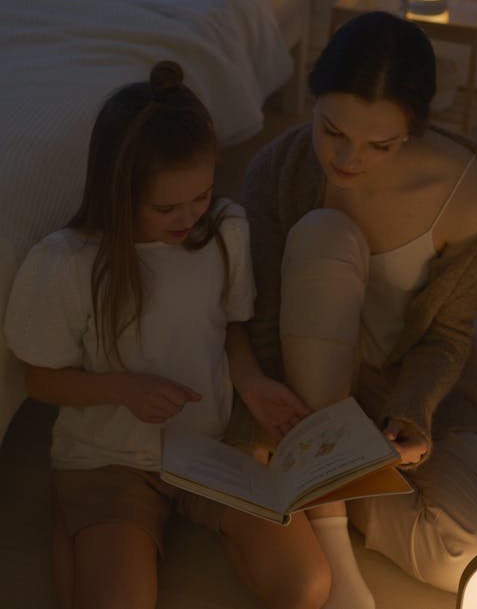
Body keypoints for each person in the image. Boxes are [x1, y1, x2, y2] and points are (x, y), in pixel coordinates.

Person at [3, 61, 332, 609]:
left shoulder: (222, 230)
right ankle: (80, 522)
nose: (188, 217)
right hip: (109, 458)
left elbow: (229, 327)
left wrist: (250, 382)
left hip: (209, 447)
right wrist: (122, 389)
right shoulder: (67, 263)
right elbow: (40, 380)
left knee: (307, 585)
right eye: (166, 207)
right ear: (117, 190)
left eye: (200, 195)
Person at [240, 10, 477, 607]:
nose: (348, 158)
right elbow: (259, 317)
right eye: (331, 130)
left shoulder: (473, 194)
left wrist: (412, 418)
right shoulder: (276, 173)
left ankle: (322, 482)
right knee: (325, 232)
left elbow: (450, 332)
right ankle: (331, 534)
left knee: (472, 545)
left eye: (379, 144)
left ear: (414, 128)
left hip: (398, 390)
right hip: (305, 383)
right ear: (312, 99)